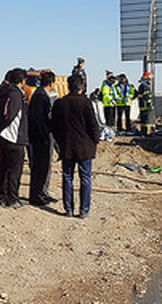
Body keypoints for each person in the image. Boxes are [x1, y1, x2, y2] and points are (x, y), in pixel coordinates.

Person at [52, 74, 99, 218]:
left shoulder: (60, 103)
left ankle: (68, 209)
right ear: (81, 87)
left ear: (68, 86)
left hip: (67, 146)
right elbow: (93, 125)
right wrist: (95, 141)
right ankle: (84, 210)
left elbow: (54, 126)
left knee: (67, 177)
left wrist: (60, 142)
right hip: (84, 147)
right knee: (85, 178)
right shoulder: (85, 103)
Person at [0, 68, 29, 208]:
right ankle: (12, 198)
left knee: (3, 167)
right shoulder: (15, 94)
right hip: (13, 136)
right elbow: (10, 115)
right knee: (14, 170)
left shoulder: (2, 92)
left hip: (3, 136)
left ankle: (1, 196)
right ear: (22, 81)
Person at [28, 71, 57, 206]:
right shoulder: (41, 96)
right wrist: (45, 136)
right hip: (40, 138)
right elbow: (39, 119)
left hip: (40, 135)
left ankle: (43, 192)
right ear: (51, 83)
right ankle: (36, 196)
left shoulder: (39, 94)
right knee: (40, 167)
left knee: (45, 166)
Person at [137, 72, 154, 136]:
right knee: (147, 120)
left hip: (142, 105)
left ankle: (143, 132)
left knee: (143, 120)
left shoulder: (142, 86)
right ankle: (147, 133)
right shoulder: (145, 86)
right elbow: (146, 96)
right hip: (145, 105)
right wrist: (149, 103)